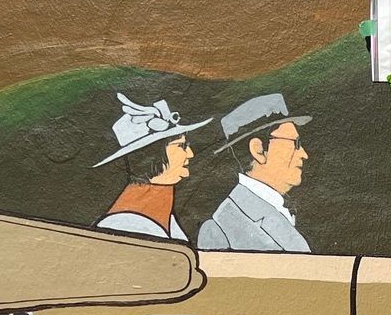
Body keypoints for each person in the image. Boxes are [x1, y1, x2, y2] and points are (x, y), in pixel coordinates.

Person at [197, 94, 312, 252]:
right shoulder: (219, 229)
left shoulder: (276, 209)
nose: (304, 154)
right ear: (258, 150)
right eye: (295, 144)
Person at [93, 94, 210, 241]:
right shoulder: (125, 225)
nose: (190, 154)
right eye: (181, 146)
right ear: (152, 155)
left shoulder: (164, 213)